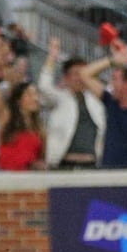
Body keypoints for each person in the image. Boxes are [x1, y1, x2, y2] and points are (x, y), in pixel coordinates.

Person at [37, 36, 107, 169]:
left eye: (83, 73)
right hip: (63, 164)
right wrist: (52, 57)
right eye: (75, 74)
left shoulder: (97, 100)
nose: (79, 78)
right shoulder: (60, 97)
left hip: (92, 165)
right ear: (66, 77)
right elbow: (44, 87)